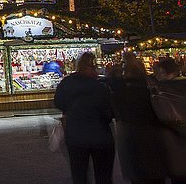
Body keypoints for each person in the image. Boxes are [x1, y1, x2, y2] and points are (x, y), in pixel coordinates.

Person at [54, 52, 114, 184]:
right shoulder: (100, 86)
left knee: (79, 173)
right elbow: (109, 110)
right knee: (103, 174)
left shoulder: (66, 83)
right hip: (100, 134)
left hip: (76, 134)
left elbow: (58, 103)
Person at [109, 52, 169, 184]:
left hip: (132, 135)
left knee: (138, 174)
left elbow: (115, 111)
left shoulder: (120, 90)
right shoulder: (151, 87)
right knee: (156, 173)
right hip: (154, 135)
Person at [152, 58, 186, 183]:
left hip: (172, 144)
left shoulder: (161, 91)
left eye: (159, 72)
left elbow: (163, 115)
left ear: (165, 71)